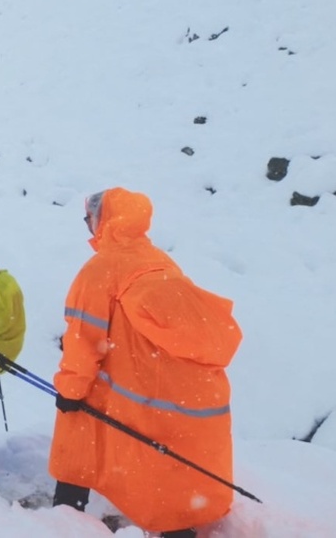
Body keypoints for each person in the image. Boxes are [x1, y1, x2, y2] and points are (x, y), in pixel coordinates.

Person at [49, 189, 242, 538]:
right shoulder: (160, 260)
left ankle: (65, 517)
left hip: (131, 386)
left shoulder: (101, 270)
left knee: (78, 432)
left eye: (89, 220)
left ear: (101, 221)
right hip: (174, 389)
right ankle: (178, 527)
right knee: (164, 462)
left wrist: (71, 389)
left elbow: (83, 340)